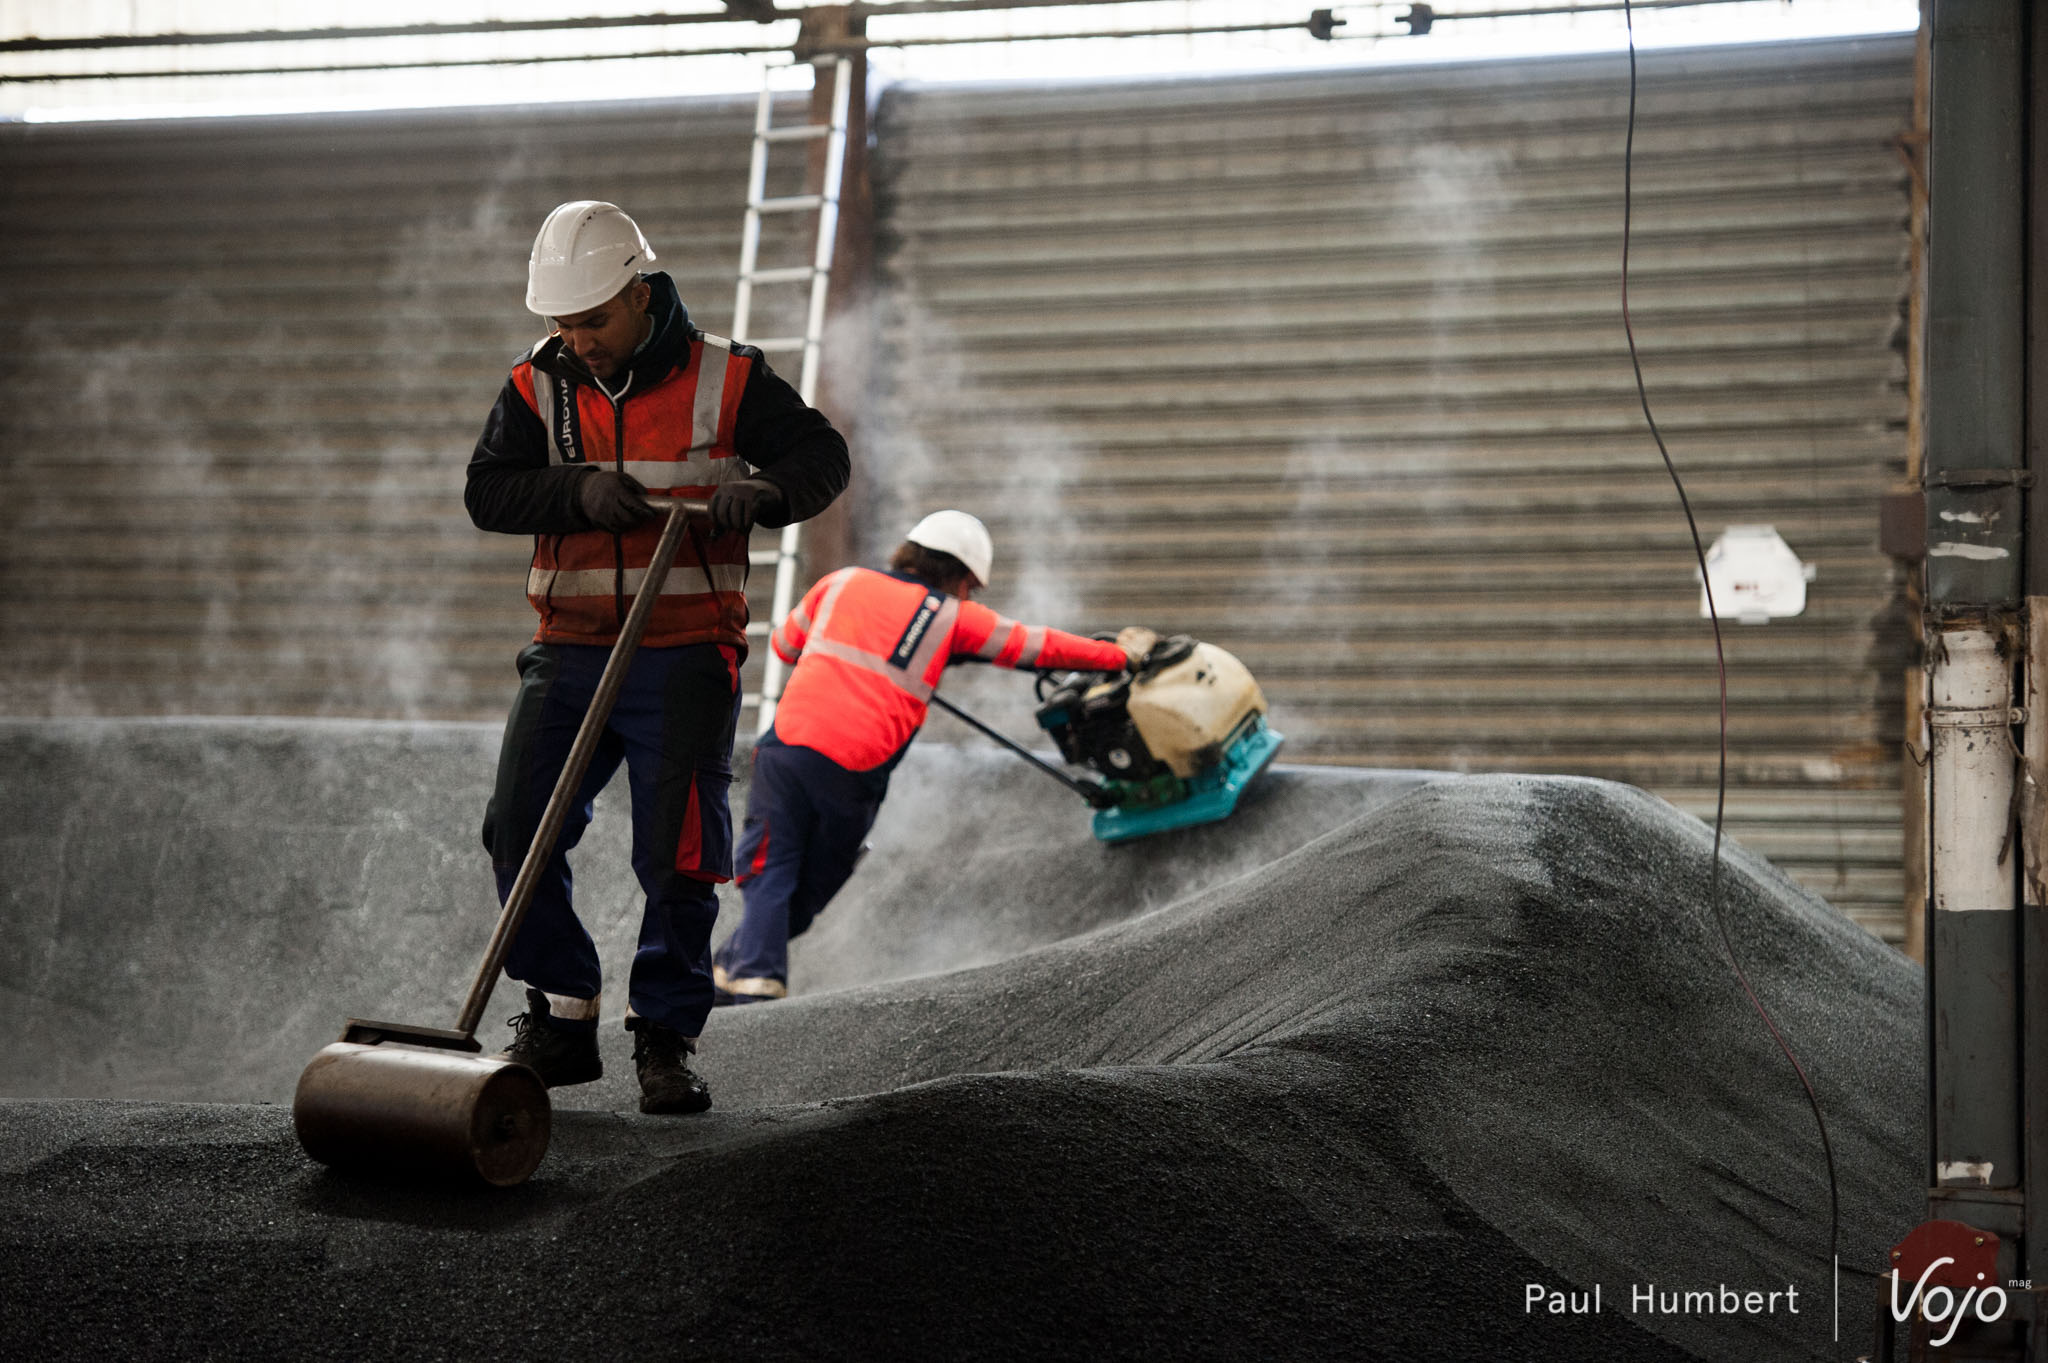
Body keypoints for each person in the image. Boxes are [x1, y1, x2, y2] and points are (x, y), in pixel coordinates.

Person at [465, 200, 849, 1113]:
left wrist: (761, 491)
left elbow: (821, 457)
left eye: (594, 320)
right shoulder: (535, 386)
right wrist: (574, 491)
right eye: (563, 323)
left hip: (682, 657)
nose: (579, 340)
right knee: (517, 824)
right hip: (568, 652)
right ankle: (562, 1013)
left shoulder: (730, 378)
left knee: (678, 855)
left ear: (639, 294)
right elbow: (488, 492)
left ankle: (665, 1038)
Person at [711, 510, 1152, 1005]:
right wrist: (1119, 656)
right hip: (853, 774)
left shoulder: (841, 582)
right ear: (961, 576)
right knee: (808, 885)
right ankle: (753, 982)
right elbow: (1036, 646)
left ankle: (729, 976)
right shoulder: (950, 615)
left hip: (788, 751)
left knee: (772, 869)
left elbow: (786, 645)